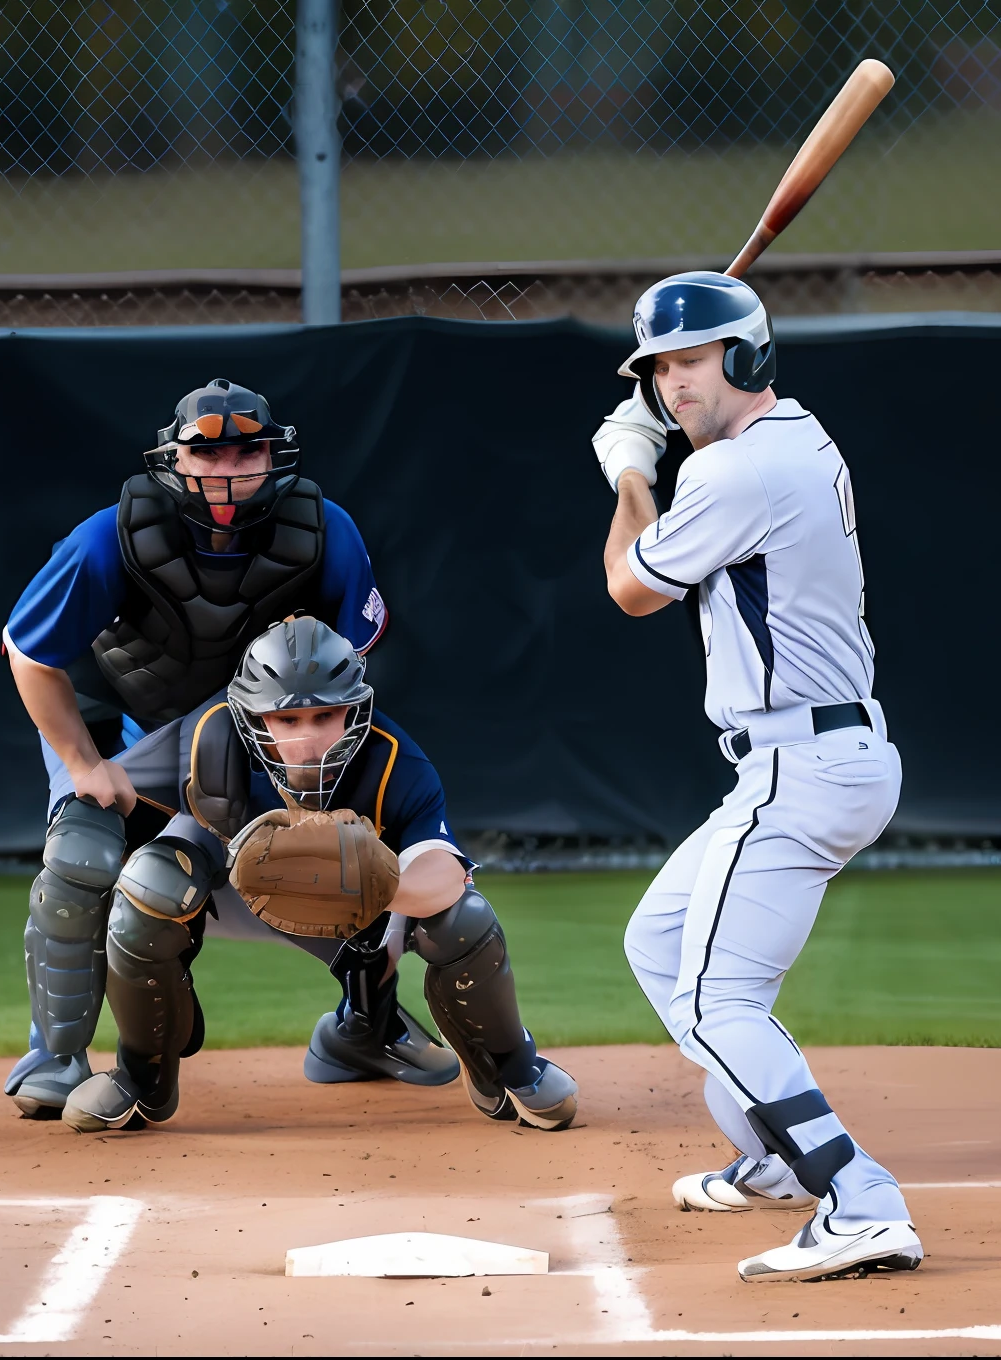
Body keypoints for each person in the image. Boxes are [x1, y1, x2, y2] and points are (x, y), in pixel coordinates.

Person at [0, 379, 449, 1119]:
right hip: (122, 732)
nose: (228, 466)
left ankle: (365, 1024)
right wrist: (83, 762)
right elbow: (29, 652)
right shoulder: (109, 536)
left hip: (253, 734)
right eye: (207, 451)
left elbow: (347, 666)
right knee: (82, 858)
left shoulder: (324, 529)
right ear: (173, 459)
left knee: (332, 866)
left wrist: (304, 774)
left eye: (247, 449)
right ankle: (54, 1053)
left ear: (276, 455)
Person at [594, 272, 921, 1283]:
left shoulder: (732, 477)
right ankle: (775, 1157)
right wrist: (665, 443)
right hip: (815, 755)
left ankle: (858, 1197)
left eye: (691, 362)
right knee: (656, 940)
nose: (673, 384)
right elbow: (713, 482)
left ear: (744, 355)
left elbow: (630, 587)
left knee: (712, 1000)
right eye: (659, 369)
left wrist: (625, 475)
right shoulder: (794, 438)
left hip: (799, 764)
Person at [57, 616, 578, 1135]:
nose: (308, 740)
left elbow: (446, 875)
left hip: (358, 910)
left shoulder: (394, 759)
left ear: (355, 708)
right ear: (254, 717)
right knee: (149, 886)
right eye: (287, 721)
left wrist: (370, 883)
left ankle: (501, 1065)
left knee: (463, 920)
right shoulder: (209, 736)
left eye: (324, 715)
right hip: (222, 879)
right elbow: (116, 791)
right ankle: (140, 1077)